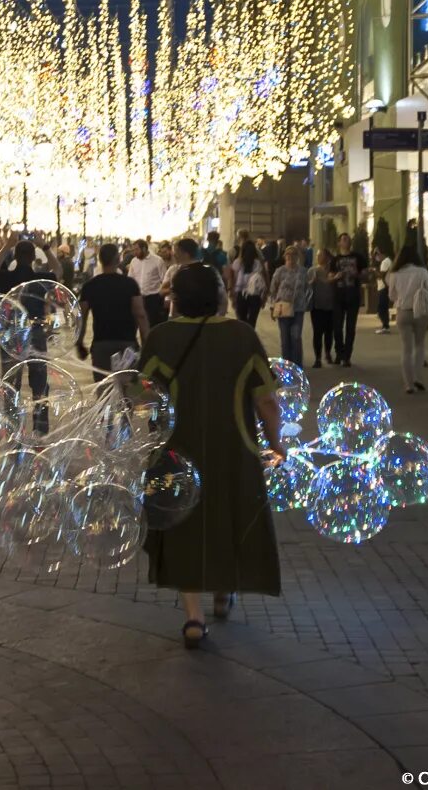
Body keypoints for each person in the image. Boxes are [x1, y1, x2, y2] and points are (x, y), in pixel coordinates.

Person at [140, 264, 285, 649]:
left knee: (182, 522)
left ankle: (193, 617)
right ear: (220, 296)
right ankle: (223, 591)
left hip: (175, 448)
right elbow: (267, 400)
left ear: (176, 298)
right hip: (232, 449)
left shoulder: (160, 337)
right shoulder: (242, 335)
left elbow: (142, 399)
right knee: (226, 514)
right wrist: (276, 443)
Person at [0, 238, 51, 433]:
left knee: (10, 382)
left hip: (11, 332)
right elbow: (59, 270)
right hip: (35, 332)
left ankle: (11, 425)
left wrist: (6, 245)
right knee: (39, 381)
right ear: (33, 257)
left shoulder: (6, 277)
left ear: (15, 257)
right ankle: (40, 427)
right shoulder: (41, 279)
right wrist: (45, 246)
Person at [76, 243, 150, 381]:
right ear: (118, 259)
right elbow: (140, 314)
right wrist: (147, 342)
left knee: (104, 390)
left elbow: (81, 317)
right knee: (127, 391)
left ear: (100, 260)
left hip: (101, 344)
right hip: (127, 343)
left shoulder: (90, 286)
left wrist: (79, 342)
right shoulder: (130, 284)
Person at [388, 243, 428, 394]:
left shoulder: (395, 273)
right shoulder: (422, 272)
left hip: (403, 312)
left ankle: (408, 384)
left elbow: (391, 295)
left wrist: (401, 299)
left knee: (406, 348)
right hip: (420, 311)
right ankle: (418, 378)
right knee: (420, 345)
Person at [330, 233, 368, 367]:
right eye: (343, 240)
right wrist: (335, 277)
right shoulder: (335, 259)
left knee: (350, 328)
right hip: (339, 296)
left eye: (348, 240)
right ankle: (339, 353)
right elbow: (330, 277)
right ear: (339, 243)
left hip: (353, 296)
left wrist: (358, 274)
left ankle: (347, 356)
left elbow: (365, 273)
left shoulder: (358, 257)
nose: (346, 242)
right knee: (337, 327)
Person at [268, 245, 309, 367]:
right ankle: (287, 365)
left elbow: (307, 288)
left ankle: (297, 365)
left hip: (298, 308)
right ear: (285, 256)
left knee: (296, 337)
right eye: (288, 254)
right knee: (285, 339)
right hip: (283, 308)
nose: (291, 256)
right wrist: (273, 306)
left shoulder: (302, 271)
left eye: (293, 254)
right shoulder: (280, 271)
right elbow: (273, 289)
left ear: (297, 257)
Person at [128, 239, 169, 327]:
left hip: (153, 299)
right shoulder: (134, 261)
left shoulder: (158, 260)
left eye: (136, 249)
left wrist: (165, 298)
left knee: (152, 326)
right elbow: (130, 279)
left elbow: (165, 280)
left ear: (144, 248)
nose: (134, 252)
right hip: (138, 299)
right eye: (133, 250)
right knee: (139, 325)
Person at [227, 241, 267, 326]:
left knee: (242, 322)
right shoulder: (258, 263)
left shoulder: (237, 262)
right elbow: (264, 280)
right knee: (252, 322)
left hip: (241, 295)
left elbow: (232, 279)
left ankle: (244, 338)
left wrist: (232, 295)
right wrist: (264, 297)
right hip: (255, 296)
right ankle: (250, 337)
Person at [308, 250, 337, 369]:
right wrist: (311, 282)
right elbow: (306, 286)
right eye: (318, 255)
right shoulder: (312, 271)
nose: (318, 257)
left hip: (330, 306)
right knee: (317, 333)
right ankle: (318, 358)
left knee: (329, 332)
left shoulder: (332, 271)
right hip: (317, 306)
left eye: (321, 255)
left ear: (327, 257)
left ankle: (328, 353)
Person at [372, 247, 394, 335]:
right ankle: (385, 325)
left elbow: (381, 275)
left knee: (382, 308)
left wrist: (374, 271)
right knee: (383, 307)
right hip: (384, 287)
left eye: (376, 255)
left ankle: (385, 326)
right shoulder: (387, 261)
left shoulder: (385, 262)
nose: (376, 257)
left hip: (384, 288)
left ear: (380, 253)